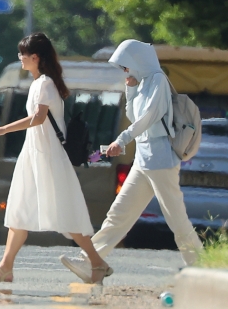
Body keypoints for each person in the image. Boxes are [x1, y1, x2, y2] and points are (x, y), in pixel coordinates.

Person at [60, 39, 203, 282]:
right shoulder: (142, 83)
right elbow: (132, 114)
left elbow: (148, 118)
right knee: (118, 215)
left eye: (126, 66)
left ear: (138, 61)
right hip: (143, 160)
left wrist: (122, 140)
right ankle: (91, 262)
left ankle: (204, 268)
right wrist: (131, 88)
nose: (125, 71)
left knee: (178, 222)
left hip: (161, 161)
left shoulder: (157, 79)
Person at [0, 33, 111, 284]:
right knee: (18, 210)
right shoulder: (40, 83)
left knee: (64, 213)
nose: (20, 59)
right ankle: (5, 268)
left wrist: (3, 129)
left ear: (35, 57)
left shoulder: (45, 83)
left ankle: (97, 262)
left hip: (47, 157)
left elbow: (38, 119)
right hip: (34, 154)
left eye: (23, 55)